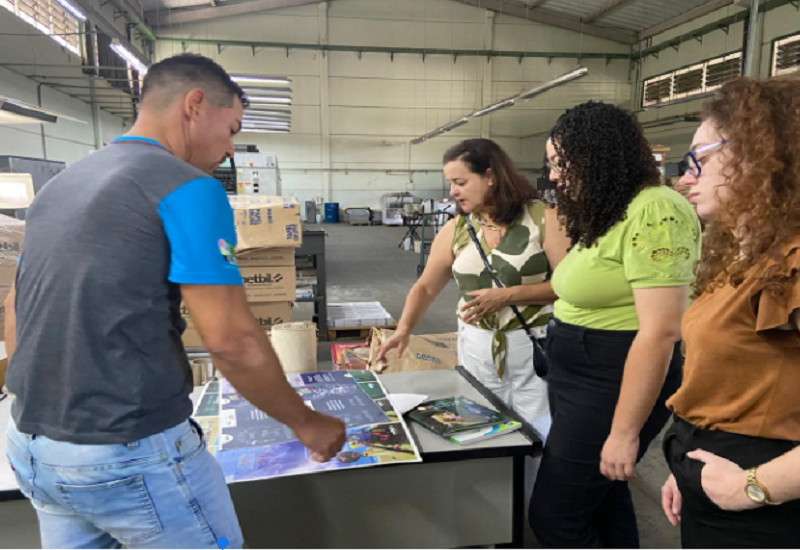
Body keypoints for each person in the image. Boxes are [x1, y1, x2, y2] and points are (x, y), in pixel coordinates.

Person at [3, 54, 345, 549]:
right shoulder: (187, 188)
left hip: (34, 448)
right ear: (195, 105)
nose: (229, 152)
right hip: (130, 453)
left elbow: (16, 307)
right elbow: (231, 341)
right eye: (231, 130)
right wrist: (306, 423)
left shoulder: (60, 186)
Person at [529, 101, 702, 548]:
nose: (553, 176)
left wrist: (623, 434)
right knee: (601, 499)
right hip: (579, 375)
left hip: (608, 375)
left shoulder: (656, 210)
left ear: (598, 155)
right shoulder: (611, 210)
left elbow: (662, 330)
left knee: (555, 516)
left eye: (560, 163)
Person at [661, 77, 800, 548]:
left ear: (763, 154)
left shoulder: (793, 264)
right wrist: (687, 465)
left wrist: (753, 486)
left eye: (701, 157)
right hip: (717, 483)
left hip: (764, 509)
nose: (686, 177)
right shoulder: (752, 259)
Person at [375, 138, 570, 440]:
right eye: (451, 183)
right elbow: (426, 287)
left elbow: (571, 286)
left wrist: (508, 295)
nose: (453, 191)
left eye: (460, 182)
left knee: (541, 432)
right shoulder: (457, 229)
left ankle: (537, 488)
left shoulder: (545, 219)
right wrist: (404, 329)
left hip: (535, 348)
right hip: (475, 348)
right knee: (480, 427)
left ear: (491, 177)